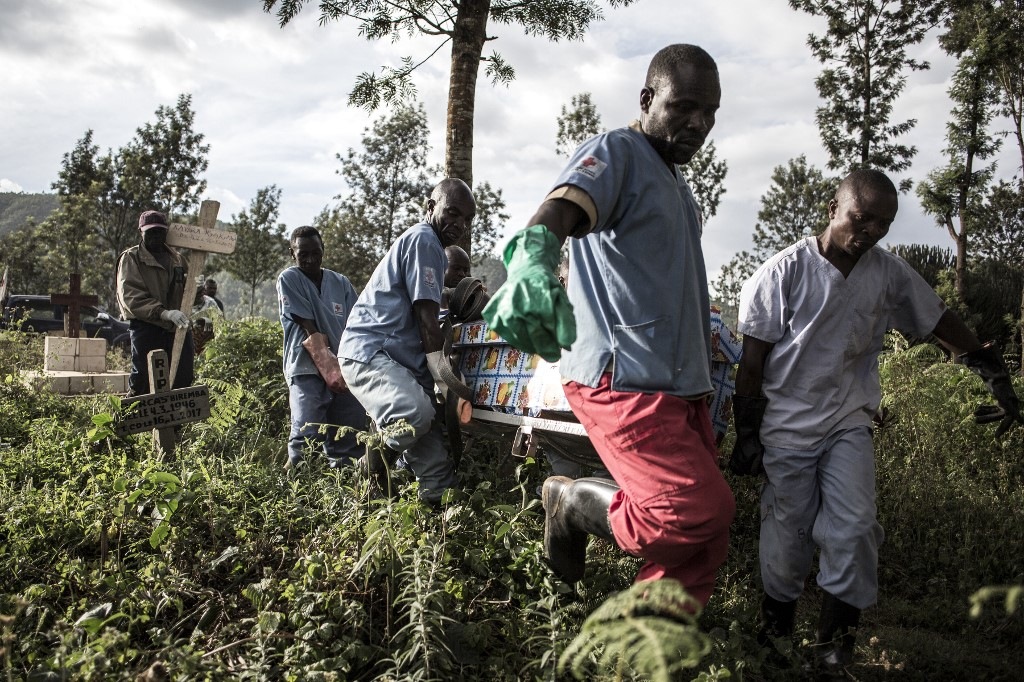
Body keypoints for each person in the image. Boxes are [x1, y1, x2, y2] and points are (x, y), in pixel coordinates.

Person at [732, 168, 1024, 671]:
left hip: (848, 421)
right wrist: (747, 433)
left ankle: (833, 653)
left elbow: (937, 320)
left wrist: (990, 367)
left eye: (882, 225)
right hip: (787, 429)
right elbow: (752, 363)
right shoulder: (783, 272)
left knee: (855, 529)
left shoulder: (887, 272)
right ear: (833, 208)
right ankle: (773, 644)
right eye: (861, 219)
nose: (869, 233)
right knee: (787, 539)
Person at [482, 44, 735, 608]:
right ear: (647, 99)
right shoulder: (615, 151)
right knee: (691, 509)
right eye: (685, 106)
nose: (700, 123)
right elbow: (555, 214)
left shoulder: (677, 183)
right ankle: (571, 505)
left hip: (681, 381)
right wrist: (531, 268)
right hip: (623, 375)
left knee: (703, 534)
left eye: (711, 112)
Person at [339, 179, 475, 505]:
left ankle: (434, 529)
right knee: (414, 414)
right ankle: (364, 470)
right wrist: (446, 382)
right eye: (452, 213)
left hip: (399, 364)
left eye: (467, 219)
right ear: (431, 207)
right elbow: (428, 322)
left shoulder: (431, 250)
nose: (460, 224)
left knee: (440, 481)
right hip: (371, 352)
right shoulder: (424, 241)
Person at [277, 225, 366, 469]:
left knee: (349, 430)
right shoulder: (290, 278)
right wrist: (327, 365)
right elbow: (306, 322)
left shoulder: (341, 283)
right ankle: (295, 488)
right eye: (302, 254)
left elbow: (357, 322)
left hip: (344, 365)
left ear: (323, 250)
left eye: (315, 252)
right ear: (292, 253)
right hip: (306, 367)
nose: (310, 259)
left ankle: (343, 485)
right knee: (307, 429)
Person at [115, 210, 194, 396]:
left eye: (159, 231)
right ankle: (130, 420)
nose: (155, 236)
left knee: (182, 377)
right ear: (141, 232)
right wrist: (163, 313)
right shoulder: (131, 258)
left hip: (177, 327)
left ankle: (174, 425)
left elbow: (189, 296)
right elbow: (131, 297)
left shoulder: (178, 259)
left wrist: (197, 288)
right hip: (147, 327)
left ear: (166, 232)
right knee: (144, 378)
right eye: (150, 232)